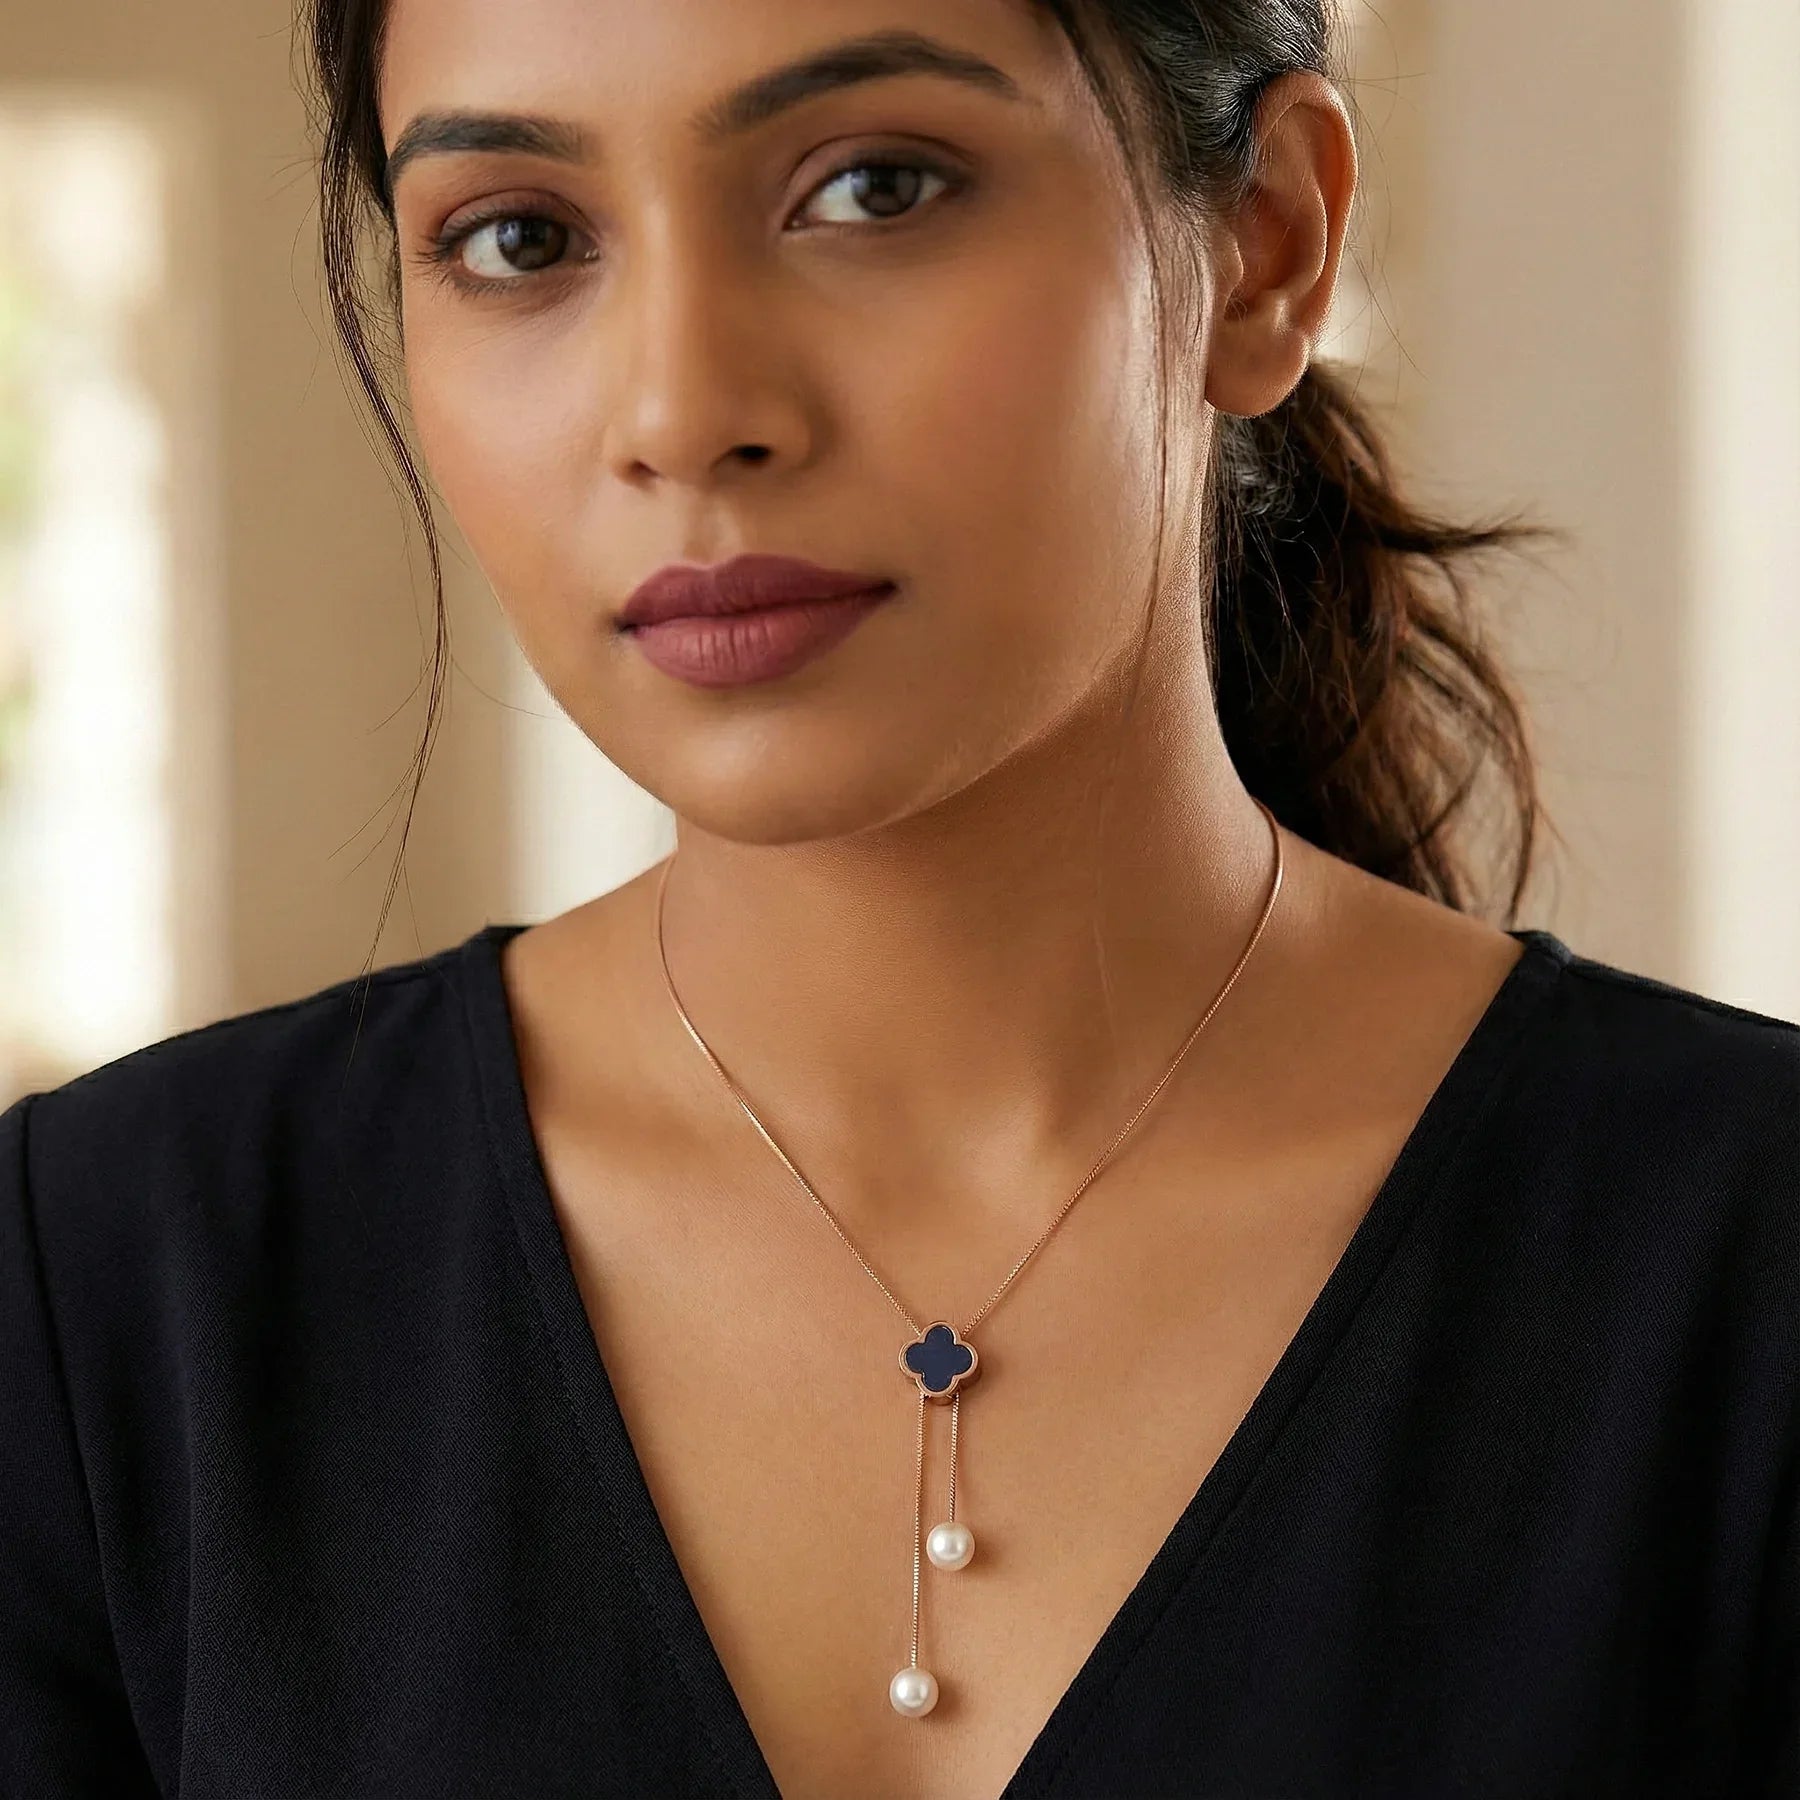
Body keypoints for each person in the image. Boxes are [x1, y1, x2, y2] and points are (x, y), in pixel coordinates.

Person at [3, 2, 1795, 1796]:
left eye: (873, 187)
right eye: (521, 238)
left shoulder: (1743, 1266)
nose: (684, 412)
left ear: (1266, 247)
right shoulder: (95, 1299)